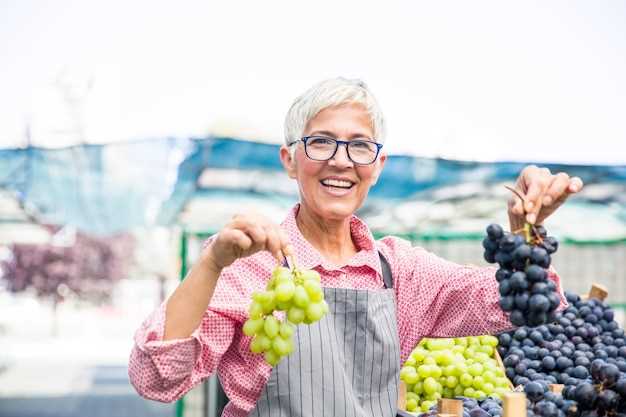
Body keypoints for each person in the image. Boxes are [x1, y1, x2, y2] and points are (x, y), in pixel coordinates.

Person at [128, 77, 584, 417]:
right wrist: (210, 264)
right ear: (290, 160)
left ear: (378, 165)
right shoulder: (244, 262)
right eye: (321, 142)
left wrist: (525, 233)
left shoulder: (400, 270)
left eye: (359, 146)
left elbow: (519, 305)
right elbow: (157, 379)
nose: (341, 160)